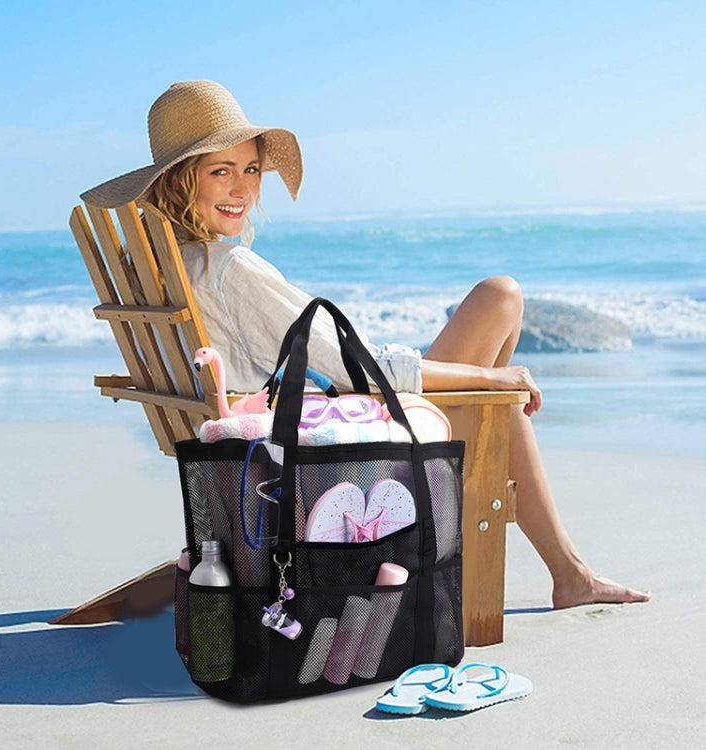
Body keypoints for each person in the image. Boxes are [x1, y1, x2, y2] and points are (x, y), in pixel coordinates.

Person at [82, 80, 650, 609]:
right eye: (220, 171)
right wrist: (491, 381)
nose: (243, 189)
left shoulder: (160, 264)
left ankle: (530, 526)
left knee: (499, 307)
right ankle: (561, 566)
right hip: (328, 448)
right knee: (499, 335)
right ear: (181, 180)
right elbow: (361, 371)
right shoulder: (231, 269)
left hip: (247, 438)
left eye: (251, 169)